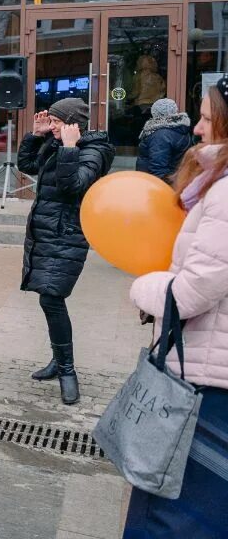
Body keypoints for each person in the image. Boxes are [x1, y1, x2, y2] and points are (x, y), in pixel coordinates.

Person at [123, 76, 228, 537]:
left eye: (207, 118)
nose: (199, 130)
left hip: (208, 385)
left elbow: (189, 293)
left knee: (171, 517)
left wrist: (145, 286)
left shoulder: (225, 194)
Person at [18, 98, 115, 405]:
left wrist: (70, 148)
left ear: (75, 124)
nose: (53, 126)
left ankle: (68, 371)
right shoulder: (54, 144)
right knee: (49, 298)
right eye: (53, 122)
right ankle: (58, 362)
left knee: (52, 296)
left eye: (58, 122)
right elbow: (27, 166)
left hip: (68, 235)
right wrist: (35, 135)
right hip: (46, 233)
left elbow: (73, 186)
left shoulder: (93, 151)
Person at [136, 98, 193, 182]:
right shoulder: (178, 129)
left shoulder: (161, 135)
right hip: (176, 180)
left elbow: (158, 170)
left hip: (155, 185)